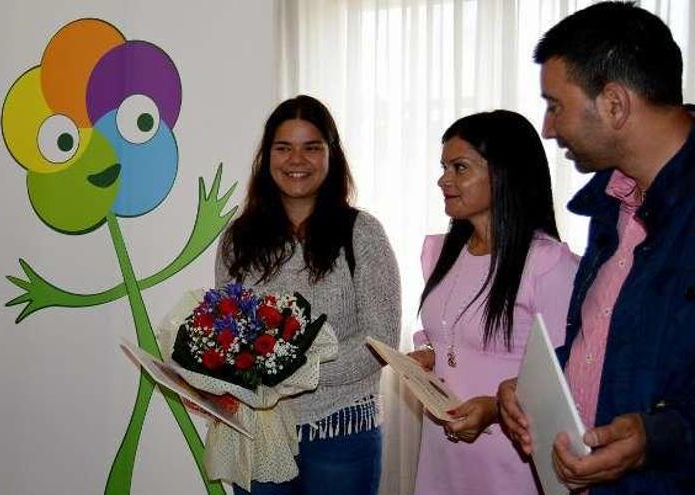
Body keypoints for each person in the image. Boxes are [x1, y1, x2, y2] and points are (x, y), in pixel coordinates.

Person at [496, 2, 695, 494]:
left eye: (555, 104)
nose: (547, 127)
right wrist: (534, 387)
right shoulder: (613, 204)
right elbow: (614, 342)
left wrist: (656, 438)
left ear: (614, 104)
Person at [215, 95, 400, 495]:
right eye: (283, 148)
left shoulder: (363, 233)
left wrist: (296, 370)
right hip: (259, 431)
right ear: (267, 157)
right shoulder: (238, 239)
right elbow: (229, 331)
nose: (296, 159)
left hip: (342, 430)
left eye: (311, 147)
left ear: (331, 156)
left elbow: (381, 339)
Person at [408, 110, 578, 495]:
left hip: (511, 460)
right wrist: (427, 353)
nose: (443, 179)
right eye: (444, 167)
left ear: (503, 174)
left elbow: (564, 376)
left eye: (459, 167)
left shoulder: (547, 264)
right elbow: (444, 333)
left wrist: (494, 408)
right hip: (442, 453)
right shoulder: (439, 252)